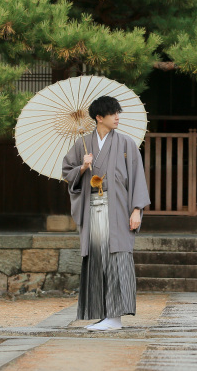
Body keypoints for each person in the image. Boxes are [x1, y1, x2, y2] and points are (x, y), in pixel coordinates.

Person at [62, 95, 150, 332]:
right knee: (97, 260)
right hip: (92, 210)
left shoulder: (126, 144)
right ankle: (103, 315)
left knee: (118, 259)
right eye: (112, 114)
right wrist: (82, 166)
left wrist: (136, 210)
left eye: (117, 113)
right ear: (99, 118)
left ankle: (116, 317)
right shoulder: (83, 144)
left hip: (119, 210)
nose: (117, 117)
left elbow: (137, 178)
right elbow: (67, 172)